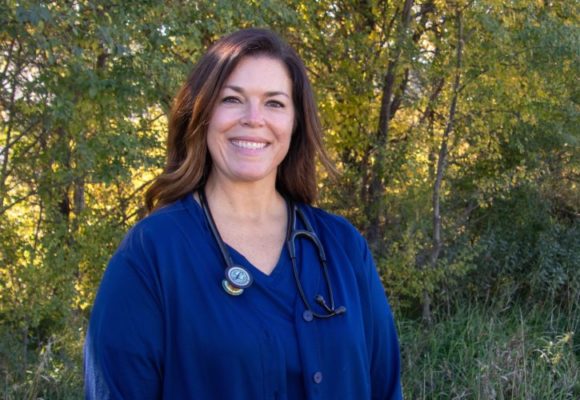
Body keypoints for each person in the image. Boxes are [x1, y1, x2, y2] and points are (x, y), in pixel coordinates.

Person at [84, 28, 402, 400]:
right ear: (201, 113)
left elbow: (385, 387)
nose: (254, 119)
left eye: (275, 103)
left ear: (296, 121)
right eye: (232, 99)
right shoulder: (151, 255)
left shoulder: (344, 248)